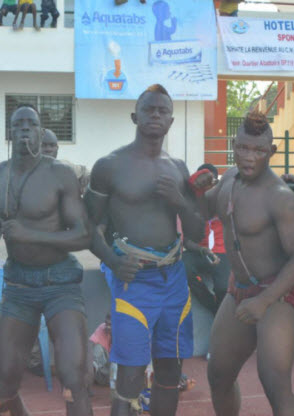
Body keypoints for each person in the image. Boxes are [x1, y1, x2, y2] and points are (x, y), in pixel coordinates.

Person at [85, 84, 205, 416]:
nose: (155, 115)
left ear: (171, 120)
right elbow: (88, 227)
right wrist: (112, 260)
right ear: (134, 115)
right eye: (149, 109)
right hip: (134, 281)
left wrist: (180, 202)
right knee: (130, 374)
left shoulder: (179, 168)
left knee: (170, 371)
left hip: (174, 279)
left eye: (162, 110)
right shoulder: (110, 165)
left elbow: (197, 233)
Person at [0, 105, 92, 416]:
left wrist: (31, 235)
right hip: (18, 284)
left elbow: (82, 235)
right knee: (5, 374)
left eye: (31, 124)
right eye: (18, 124)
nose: (24, 128)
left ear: (40, 131)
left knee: (73, 374)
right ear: (10, 133)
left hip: (60, 282)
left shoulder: (59, 173)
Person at [205, 111, 294, 416]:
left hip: (276, 293)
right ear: (233, 146)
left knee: (275, 382)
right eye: (242, 148)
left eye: (258, 151)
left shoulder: (280, 197)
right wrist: (190, 189)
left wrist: (264, 301)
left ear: (271, 153)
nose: (249, 157)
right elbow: (202, 207)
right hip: (239, 290)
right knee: (218, 375)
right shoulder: (228, 180)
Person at [183, 163, 230, 315]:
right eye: (202, 182)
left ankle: (220, 312)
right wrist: (202, 250)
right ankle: (212, 305)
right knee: (182, 267)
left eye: (211, 182)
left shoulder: (225, 199)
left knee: (224, 287)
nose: (207, 185)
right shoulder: (191, 204)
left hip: (222, 252)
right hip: (200, 252)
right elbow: (186, 241)